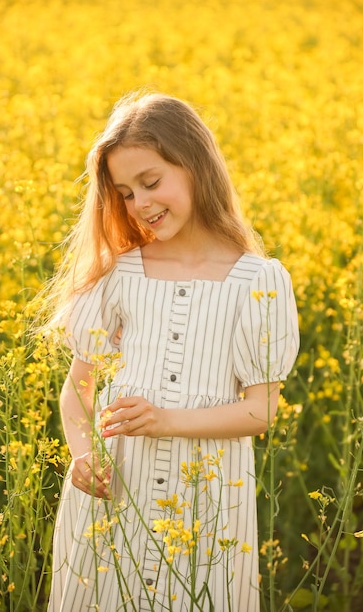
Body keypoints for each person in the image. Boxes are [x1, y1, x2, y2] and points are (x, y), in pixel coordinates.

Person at [45, 91, 299, 612]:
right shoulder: (117, 273)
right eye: (124, 193)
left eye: (151, 182)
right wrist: (81, 456)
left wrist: (165, 420)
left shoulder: (259, 281)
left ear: (197, 165)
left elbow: (262, 409)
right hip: (117, 497)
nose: (140, 204)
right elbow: (79, 393)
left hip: (206, 504)